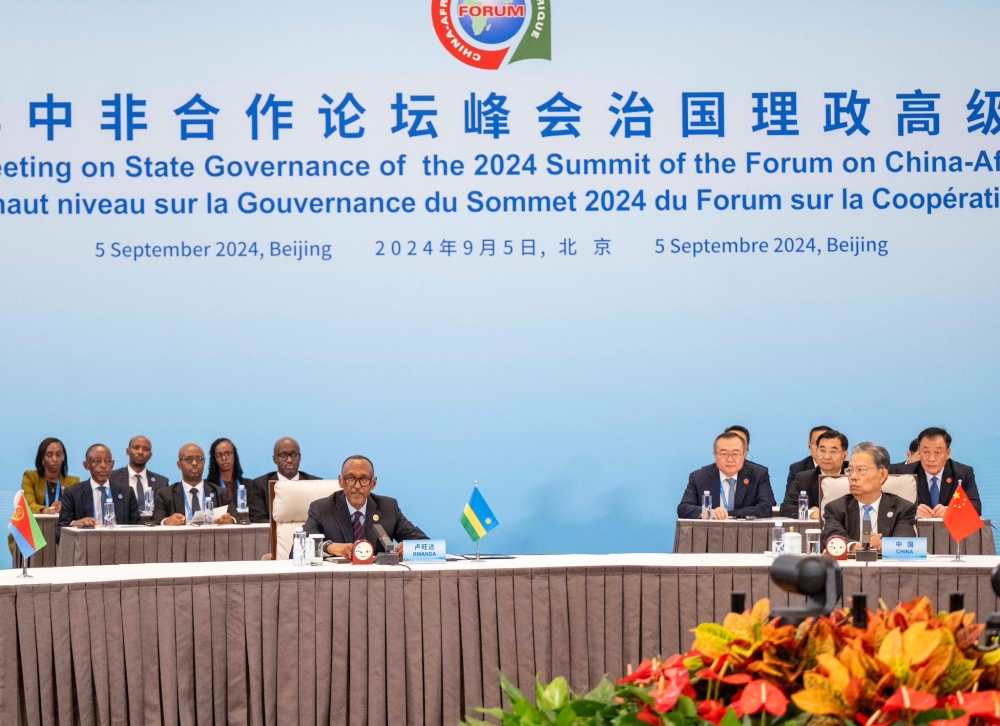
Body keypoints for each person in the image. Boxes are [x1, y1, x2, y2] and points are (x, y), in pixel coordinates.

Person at [303, 455, 427, 557]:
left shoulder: (388, 508)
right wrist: (329, 547)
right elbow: (299, 549)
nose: (357, 486)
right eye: (350, 478)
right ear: (341, 481)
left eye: (364, 479)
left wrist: (411, 549)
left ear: (373, 483)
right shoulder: (321, 508)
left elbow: (425, 544)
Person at [822, 442, 916, 552]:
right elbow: (831, 537)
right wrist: (855, 546)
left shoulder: (903, 508)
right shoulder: (836, 508)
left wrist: (883, 546)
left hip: (889, 568)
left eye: (861, 470)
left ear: (882, 475)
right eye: (850, 470)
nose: (853, 477)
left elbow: (906, 542)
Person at [676, 432, 775, 520]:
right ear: (715, 455)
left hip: (748, 535)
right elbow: (683, 508)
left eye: (735, 454)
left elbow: (765, 508)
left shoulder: (758, 474)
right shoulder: (699, 477)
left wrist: (726, 514)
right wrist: (710, 512)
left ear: (744, 454)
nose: (730, 459)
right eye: (724, 454)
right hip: (711, 534)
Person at [890, 427, 980, 518]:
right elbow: (887, 506)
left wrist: (950, 510)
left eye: (937, 452)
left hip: (948, 531)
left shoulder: (962, 473)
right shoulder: (904, 474)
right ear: (919, 451)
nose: (931, 459)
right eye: (926, 452)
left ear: (948, 453)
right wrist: (912, 511)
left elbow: (976, 508)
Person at [58, 444, 140, 536]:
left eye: (108, 461)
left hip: (120, 544)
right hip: (87, 545)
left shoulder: (126, 492)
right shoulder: (73, 493)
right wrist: (74, 524)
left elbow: (137, 529)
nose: (103, 465)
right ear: (86, 465)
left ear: (112, 464)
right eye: (97, 461)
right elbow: (59, 534)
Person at [153, 443, 237, 525]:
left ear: (204, 463)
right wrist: (166, 521)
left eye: (199, 459)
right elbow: (157, 520)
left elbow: (236, 518)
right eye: (188, 459)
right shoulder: (165, 494)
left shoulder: (221, 493)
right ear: (179, 465)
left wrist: (231, 520)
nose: (194, 463)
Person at [248, 437, 322, 523]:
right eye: (283, 455)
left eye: (294, 455)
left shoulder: (315, 483)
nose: (289, 460)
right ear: (275, 459)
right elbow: (258, 520)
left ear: (300, 458)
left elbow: (321, 519)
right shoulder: (260, 485)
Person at [779, 430, 849, 519]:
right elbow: (787, 508)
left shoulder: (854, 476)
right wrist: (810, 513)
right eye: (822, 450)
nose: (826, 457)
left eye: (833, 451)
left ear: (845, 455)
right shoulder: (804, 479)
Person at [108, 435, 169, 512]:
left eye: (146, 449)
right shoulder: (112, 478)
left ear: (150, 455)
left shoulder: (162, 482)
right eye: (136, 448)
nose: (140, 452)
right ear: (127, 451)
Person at [22, 437, 80, 514]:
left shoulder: (73, 482)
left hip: (63, 525)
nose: (55, 459)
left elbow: (78, 508)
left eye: (59, 455)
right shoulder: (30, 477)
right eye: (49, 455)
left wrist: (64, 506)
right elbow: (28, 504)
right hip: (37, 524)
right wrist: (45, 510)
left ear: (63, 457)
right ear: (42, 457)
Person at [785, 426, 833, 491]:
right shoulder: (798, 469)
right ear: (809, 444)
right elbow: (790, 500)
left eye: (824, 444)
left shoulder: (846, 468)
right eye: (817, 443)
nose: (820, 448)